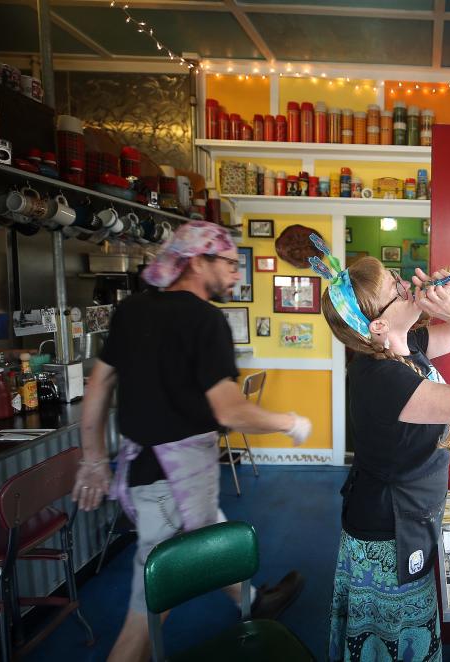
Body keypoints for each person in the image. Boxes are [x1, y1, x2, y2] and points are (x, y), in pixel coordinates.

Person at [71, 222, 313, 662]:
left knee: (208, 533)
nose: (237, 274)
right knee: (151, 604)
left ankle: (256, 601)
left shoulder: (133, 310)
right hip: (173, 479)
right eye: (228, 264)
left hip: (149, 469)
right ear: (197, 262)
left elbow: (99, 382)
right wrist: (288, 421)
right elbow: (229, 410)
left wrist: (93, 458)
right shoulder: (206, 320)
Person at [311, 242, 450, 662]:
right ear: (376, 327)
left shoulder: (406, 345)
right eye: (397, 287)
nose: (407, 285)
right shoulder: (380, 376)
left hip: (409, 513)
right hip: (386, 530)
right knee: (392, 641)